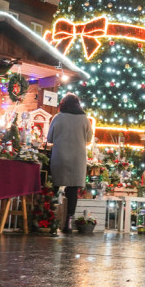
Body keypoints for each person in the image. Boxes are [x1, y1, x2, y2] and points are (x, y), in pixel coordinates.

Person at [46, 93, 94, 234]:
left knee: (53, 187)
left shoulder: (58, 117)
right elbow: (89, 138)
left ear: (63, 104)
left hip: (59, 156)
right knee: (73, 190)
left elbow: (49, 139)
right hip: (77, 158)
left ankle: (48, 220)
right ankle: (67, 223)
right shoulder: (84, 119)